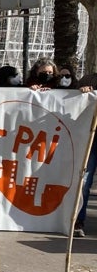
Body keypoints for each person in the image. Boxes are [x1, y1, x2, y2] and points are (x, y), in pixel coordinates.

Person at [74, 73, 97, 237]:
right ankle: (78, 221)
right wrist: (82, 92)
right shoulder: (89, 79)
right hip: (92, 139)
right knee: (84, 182)